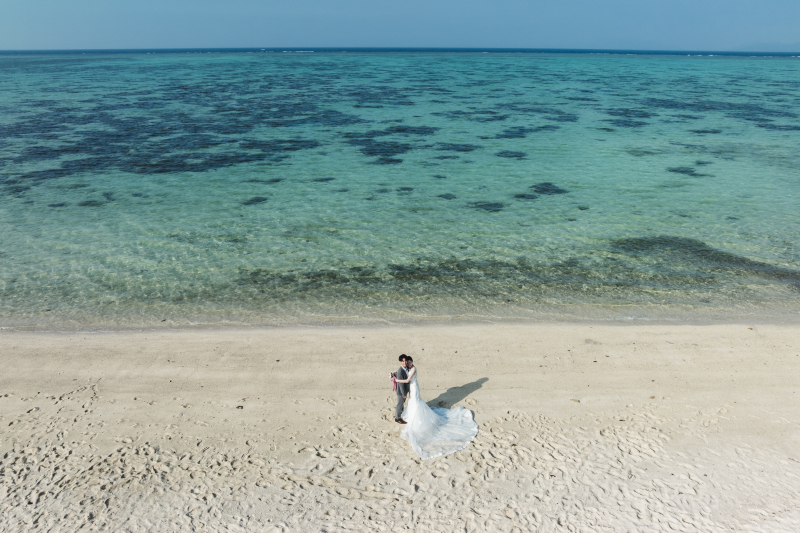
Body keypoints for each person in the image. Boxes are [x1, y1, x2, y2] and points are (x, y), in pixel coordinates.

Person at [393, 356, 479, 460]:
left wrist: (395, 379)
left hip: (414, 387)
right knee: (412, 402)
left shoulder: (414, 369)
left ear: (412, 362)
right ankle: (409, 416)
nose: (408, 363)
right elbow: (404, 374)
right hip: (412, 388)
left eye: (409, 362)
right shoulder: (408, 368)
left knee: (415, 402)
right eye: (407, 362)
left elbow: (407, 380)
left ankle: (414, 418)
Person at [394, 355, 409, 424]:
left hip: (405, 390)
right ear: (400, 362)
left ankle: (401, 413)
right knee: (399, 404)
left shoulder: (407, 368)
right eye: (402, 361)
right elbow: (401, 384)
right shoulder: (400, 371)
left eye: (405, 360)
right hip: (401, 392)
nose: (404, 362)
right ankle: (397, 418)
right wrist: (404, 394)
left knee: (402, 403)